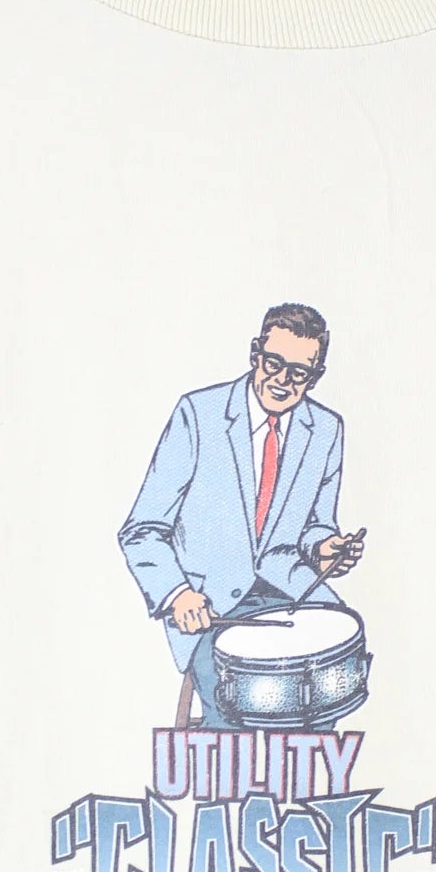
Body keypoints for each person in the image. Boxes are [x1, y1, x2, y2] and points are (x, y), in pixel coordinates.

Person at [118, 302, 366, 723]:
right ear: (255, 354)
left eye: (299, 373)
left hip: (291, 591)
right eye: (274, 364)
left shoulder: (326, 429)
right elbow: (142, 530)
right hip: (210, 602)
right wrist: (177, 594)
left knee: (328, 697)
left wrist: (326, 549)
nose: (282, 381)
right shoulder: (198, 414)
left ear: (315, 376)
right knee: (232, 716)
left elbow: (314, 526)